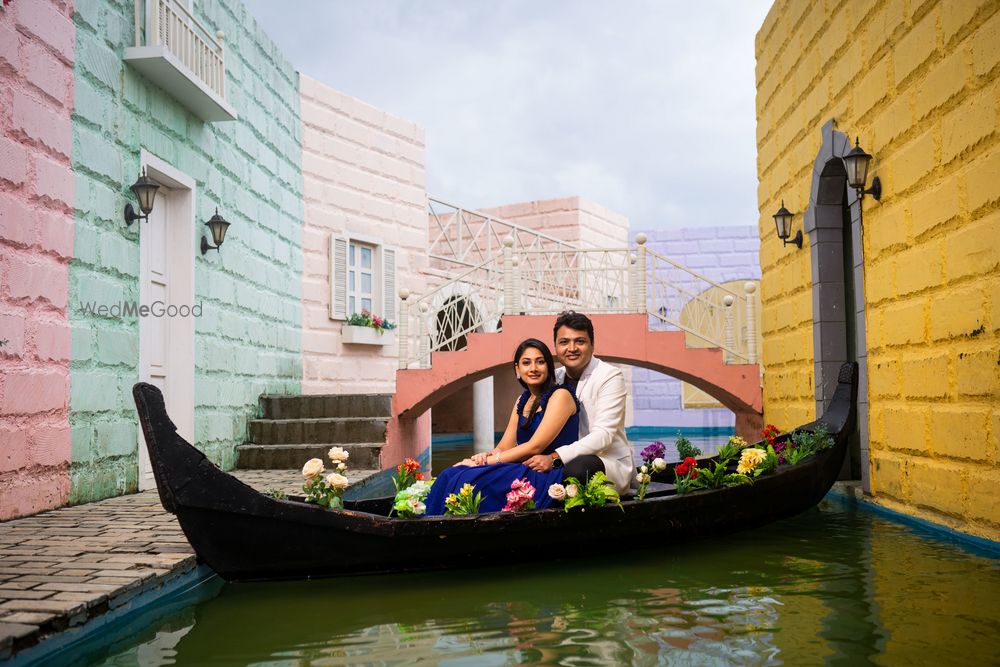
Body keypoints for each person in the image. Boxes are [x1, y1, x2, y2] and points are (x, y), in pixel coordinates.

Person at [424, 338, 578, 514]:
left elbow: (536, 446)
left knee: (471, 479)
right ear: (517, 369)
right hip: (525, 467)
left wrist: (488, 463)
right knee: (450, 473)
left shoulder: (560, 395)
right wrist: (480, 459)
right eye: (526, 363)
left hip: (546, 473)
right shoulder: (524, 399)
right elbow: (504, 446)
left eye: (540, 362)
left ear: (549, 367)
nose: (533, 368)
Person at [522, 311, 634, 495]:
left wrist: (555, 457)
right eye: (564, 342)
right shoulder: (553, 378)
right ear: (556, 347)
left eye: (580, 341)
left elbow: (603, 436)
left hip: (604, 462)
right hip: (552, 459)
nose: (571, 348)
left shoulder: (609, 375)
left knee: (577, 471)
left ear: (592, 345)